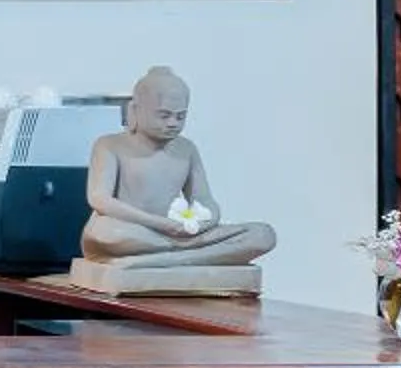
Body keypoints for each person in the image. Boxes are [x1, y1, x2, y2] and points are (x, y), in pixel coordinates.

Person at [81, 66, 276, 269]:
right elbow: (99, 199)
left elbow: (203, 200)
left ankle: (163, 260)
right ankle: (192, 254)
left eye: (180, 116)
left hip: (178, 234)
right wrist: (159, 224)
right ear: (135, 110)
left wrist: (204, 222)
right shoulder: (109, 145)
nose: (173, 123)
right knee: (109, 233)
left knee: (262, 234)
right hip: (134, 231)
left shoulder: (186, 149)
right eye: (164, 116)